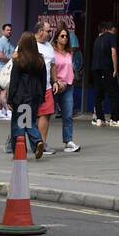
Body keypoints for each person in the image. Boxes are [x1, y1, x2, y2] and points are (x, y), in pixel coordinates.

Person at [7, 32, 48, 160]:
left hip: (21, 95)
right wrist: (42, 96)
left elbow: (14, 81)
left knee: (19, 123)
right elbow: (43, 79)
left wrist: (10, 98)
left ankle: (21, 151)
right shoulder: (40, 59)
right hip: (35, 95)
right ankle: (37, 142)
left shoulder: (19, 59)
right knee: (29, 121)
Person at [49, 24, 79, 152]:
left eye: (66, 36)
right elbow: (51, 68)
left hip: (68, 85)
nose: (65, 38)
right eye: (62, 36)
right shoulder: (51, 51)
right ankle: (40, 140)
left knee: (68, 114)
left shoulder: (69, 52)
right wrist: (55, 81)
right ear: (56, 38)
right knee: (47, 114)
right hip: (55, 85)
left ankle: (68, 140)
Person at [90, 20, 119, 127]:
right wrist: (115, 69)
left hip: (95, 68)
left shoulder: (97, 39)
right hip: (106, 68)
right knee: (114, 94)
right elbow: (113, 53)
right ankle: (114, 119)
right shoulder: (111, 37)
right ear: (111, 29)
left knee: (98, 94)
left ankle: (99, 118)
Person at [0, 23, 16, 120]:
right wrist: (11, 59)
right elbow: (0, 56)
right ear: (3, 31)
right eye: (7, 30)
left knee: (3, 92)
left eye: (10, 30)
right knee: (4, 92)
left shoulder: (11, 43)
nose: (9, 31)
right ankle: (8, 111)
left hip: (7, 71)